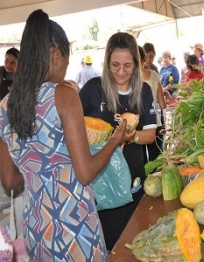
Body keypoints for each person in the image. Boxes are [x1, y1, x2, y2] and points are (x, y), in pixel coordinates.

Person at [0, 9, 128, 261]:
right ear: (57, 55)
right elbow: (85, 172)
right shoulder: (63, 96)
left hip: (37, 226)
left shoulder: (4, 106)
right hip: (75, 226)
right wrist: (115, 140)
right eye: (67, 62)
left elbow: (10, 181)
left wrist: (40, 174)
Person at [79, 32, 157, 251]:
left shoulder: (144, 91)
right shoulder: (93, 89)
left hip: (133, 174)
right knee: (108, 240)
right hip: (100, 179)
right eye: (115, 65)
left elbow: (150, 135)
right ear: (106, 62)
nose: (121, 72)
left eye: (127, 66)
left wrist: (131, 137)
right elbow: (73, 129)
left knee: (134, 236)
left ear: (136, 64)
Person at [139, 46, 167, 163]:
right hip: (155, 118)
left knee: (140, 157)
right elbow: (162, 104)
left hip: (138, 121)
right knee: (156, 155)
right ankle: (156, 176)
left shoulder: (128, 80)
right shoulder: (155, 75)